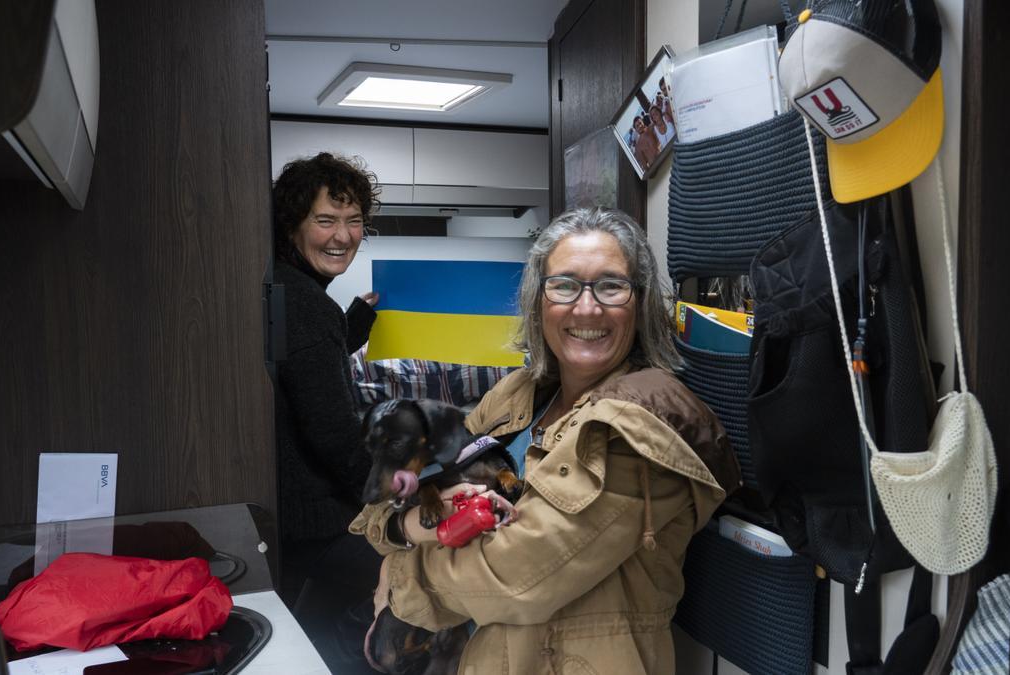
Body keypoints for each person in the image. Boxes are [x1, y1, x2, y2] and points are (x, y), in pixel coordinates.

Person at [352, 208, 741, 673]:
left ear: (640, 305)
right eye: (565, 285)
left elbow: (515, 579)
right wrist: (405, 527)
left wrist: (394, 580)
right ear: (539, 301)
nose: (587, 308)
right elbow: (381, 505)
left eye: (611, 286)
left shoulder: (640, 425)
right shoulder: (517, 394)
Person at [272, 152, 382, 672]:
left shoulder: (288, 289)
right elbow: (333, 431)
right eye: (325, 220)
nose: (343, 234)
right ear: (293, 224)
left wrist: (354, 321)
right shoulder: (307, 303)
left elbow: (311, 358)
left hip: (291, 520)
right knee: (430, 569)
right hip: (318, 523)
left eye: (354, 220)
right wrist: (395, 497)